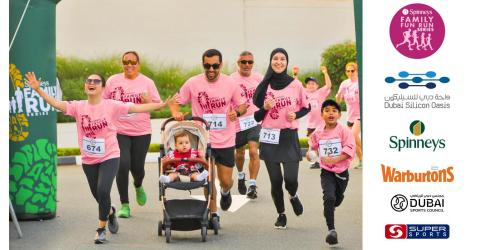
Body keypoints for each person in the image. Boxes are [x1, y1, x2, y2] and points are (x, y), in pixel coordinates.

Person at [24, 72, 170, 244]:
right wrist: (38, 90)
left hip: (110, 155)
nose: (91, 83)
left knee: (102, 190)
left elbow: (136, 108)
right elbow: (56, 103)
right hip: (89, 159)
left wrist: (161, 105)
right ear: (85, 86)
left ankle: (101, 229)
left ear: (103, 87)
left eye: (96, 81)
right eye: (89, 81)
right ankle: (109, 212)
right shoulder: (78, 106)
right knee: (98, 195)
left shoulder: (111, 105)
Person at [169, 49, 247, 225]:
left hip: (226, 139)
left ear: (221, 64)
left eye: (215, 65)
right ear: (203, 64)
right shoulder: (193, 83)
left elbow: (243, 105)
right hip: (202, 140)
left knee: (226, 180)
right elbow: (175, 102)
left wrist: (237, 112)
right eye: (207, 65)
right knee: (208, 178)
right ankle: (213, 214)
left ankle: (226, 192)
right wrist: (176, 113)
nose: (211, 69)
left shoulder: (230, 83)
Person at [252, 48, 310, 229]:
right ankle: (281, 214)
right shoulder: (264, 86)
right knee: (276, 180)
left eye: (282, 59)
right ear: (270, 62)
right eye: (275, 59)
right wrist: (265, 108)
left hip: (288, 136)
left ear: (287, 62)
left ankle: (293, 195)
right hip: (269, 137)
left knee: (290, 180)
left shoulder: (296, 84)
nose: (279, 62)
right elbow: (256, 117)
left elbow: (306, 107)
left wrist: (297, 114)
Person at [103, 51, 162, 218]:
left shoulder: (147, 82)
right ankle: (125, 204)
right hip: (119, 131)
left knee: (137, 168)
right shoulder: (113, 81)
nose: (129, 65)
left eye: (133, 62)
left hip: (141, 132)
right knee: (122, 165)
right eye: (126, 62)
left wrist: (147, 102)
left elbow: (158, 105)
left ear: (139, 64)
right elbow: (103, 101)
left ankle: (138, 184)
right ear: (122, 63)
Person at [306, 99, 355, 246]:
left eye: (334, 110)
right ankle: (331, 231)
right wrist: (310, 153)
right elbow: (312, 148)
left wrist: (335, 159)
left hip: (342, 172)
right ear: (322, 115)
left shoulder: (344, 131)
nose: (330, 113)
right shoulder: (318, 132)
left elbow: (349, 150)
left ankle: (333, 204)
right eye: (327, 110)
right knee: (329, 197)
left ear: (339, 114)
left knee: (337, 199)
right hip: (326, 171)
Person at [230, 51, 263, 199]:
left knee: (254, 152)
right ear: (238, 63)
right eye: (243, 62)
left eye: (250, 62)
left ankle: (253, 185)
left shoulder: (259, 78)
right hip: (237, 122)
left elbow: (268, 94)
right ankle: (241, 175)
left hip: (254, 120)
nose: (247, 65)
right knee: (240, 153)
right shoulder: (230, 79)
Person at [303, 66, 332, 169]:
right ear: (306, 85)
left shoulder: (320, 92)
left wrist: (325, 73)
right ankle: (313, 162)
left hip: (321, 124)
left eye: (313, 83)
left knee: (323, 143)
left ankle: (326, 162)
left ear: (317, 86)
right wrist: (295, 75)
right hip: (310, 124)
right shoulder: (304, 93)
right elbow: (295, 86)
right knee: (312, 144)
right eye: (309, 83)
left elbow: (328, 85)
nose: (311, 85)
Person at [335, 62, 362, 168]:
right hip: (350, 116)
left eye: (352, 70)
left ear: (357, 71)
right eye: (348, 71)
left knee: (353, 135)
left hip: (360, 114)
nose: (350, 73)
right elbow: (338, 100)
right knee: (353, 140)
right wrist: (339, 94)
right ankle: (361, 160)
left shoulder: (360, 83)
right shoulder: (344, 83)